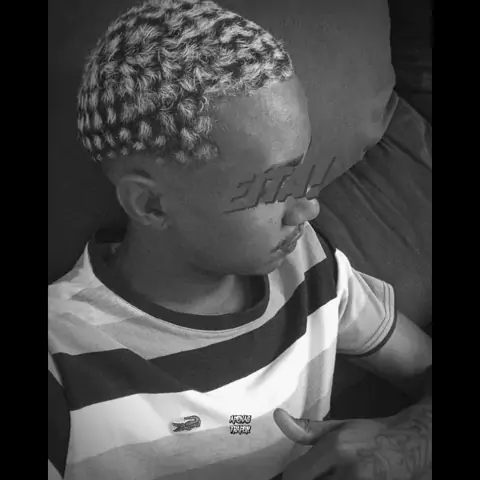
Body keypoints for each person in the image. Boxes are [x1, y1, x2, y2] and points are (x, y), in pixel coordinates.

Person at [48, 1, 432, 479]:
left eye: (303, 171)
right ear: (151, 205)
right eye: (272, 186)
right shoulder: (64, 360)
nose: (308, 208)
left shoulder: (310, 267)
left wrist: (410, 439)